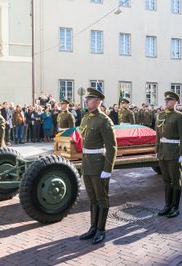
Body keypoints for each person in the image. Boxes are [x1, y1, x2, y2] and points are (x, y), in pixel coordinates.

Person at [78, 88, 117, 245]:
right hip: (87, 163)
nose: (86, 101)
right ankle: (93, 227)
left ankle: (101, 229)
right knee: (92, 198)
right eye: (87, 98)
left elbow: (112, 147)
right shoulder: (86, 118)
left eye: (90, 99)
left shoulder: (104, 120)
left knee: (102, 198)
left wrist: (108, 170)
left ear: (98, 102)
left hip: (99, 164)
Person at [156, 91, 182, 218]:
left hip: (174, 152)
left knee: (176, 180)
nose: (166, 102)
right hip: (163, 152)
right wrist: (157, 150)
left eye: (169, 100)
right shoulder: (160, 115)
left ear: (175, 102)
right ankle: (167, 205)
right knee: (166, 180)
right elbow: (158, 135)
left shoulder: (180, 116)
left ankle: (175, 207)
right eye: (165, 100)